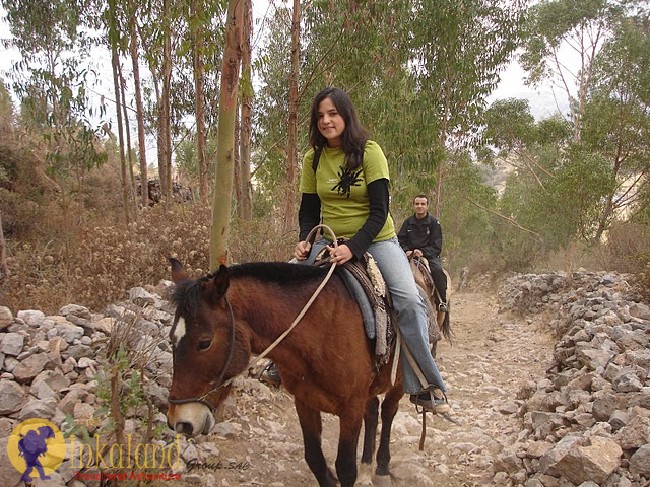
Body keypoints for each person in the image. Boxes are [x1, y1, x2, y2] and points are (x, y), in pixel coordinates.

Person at [293, 86, 451, 414]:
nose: (326, 120)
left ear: (346, 116)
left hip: (377, 239)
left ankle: (425, 382)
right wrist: (305, 238)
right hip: (328, 239)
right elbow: (309, 209)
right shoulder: (313, 158)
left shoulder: (369, 152)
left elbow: (380, 212)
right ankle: (283, 367)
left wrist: (353, 248)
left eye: (333, 113)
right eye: (320, 115)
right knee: (285, 289)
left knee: (408, 300)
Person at [397, 195, 449, 312]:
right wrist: (407, 250)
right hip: (409, 255)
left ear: (427, 206)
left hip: (428, 255)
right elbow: (400, 239)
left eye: (422, 204)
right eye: (417, 204)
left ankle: (441, 300)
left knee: (437, 270)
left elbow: (437, 245)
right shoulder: (408, 222)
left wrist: (423, 252)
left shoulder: (434, 223)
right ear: (413, 205)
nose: (419, 206)